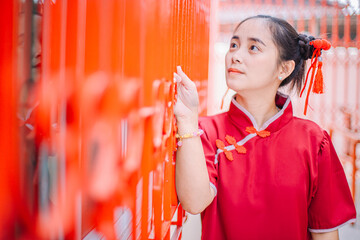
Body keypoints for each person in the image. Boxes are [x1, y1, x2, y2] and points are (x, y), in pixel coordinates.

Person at [174, 15, 356, 240]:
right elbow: (194, 202)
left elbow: (325, 233)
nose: (235, 56)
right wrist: (187, 118)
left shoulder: (313, 141)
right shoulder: (205, 131)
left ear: (284, 68)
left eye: (253, 47)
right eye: (234, 45)